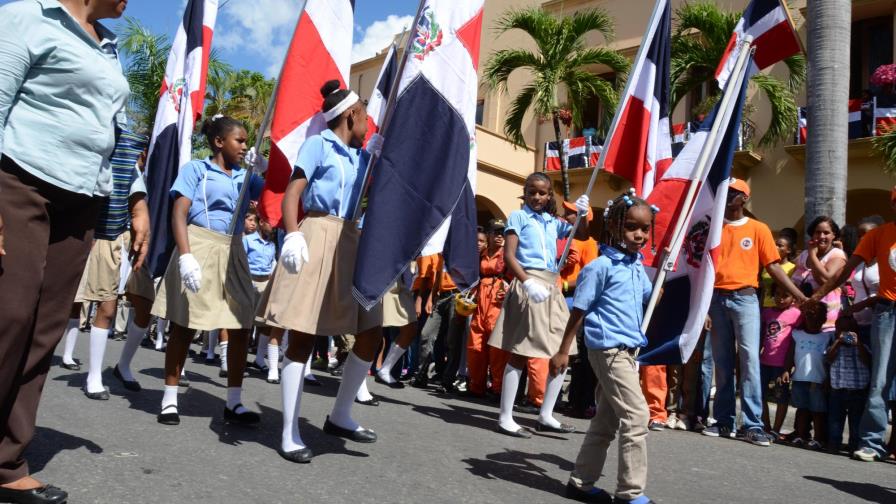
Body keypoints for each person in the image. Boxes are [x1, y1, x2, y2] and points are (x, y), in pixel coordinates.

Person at [0, 1, 141, 502]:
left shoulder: (107, 46)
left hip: (82, 200)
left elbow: (118, 132)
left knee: (44, 328)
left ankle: (6, 463)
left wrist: (137, 196)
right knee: (8, 316)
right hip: (18, 183)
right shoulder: (27, 17)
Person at [258, 80, 385, 464]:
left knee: (371, 330)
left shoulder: (362, 157)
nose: (369, 124)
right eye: (365, 116)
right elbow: (294, 192)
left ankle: (341, 414)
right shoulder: (318, 145)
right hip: (315, 234)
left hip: (351, 241)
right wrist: (293, 235)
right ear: (351, 114)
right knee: (303, 334)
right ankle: (289, 431)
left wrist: (381, 162)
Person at [150, 115, 264, 426]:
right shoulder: (196, 170)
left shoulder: (245, 176)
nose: (244, 146)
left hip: (233, 250)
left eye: (245, 142)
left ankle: (234, 402)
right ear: (218, 142)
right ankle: (170, 399)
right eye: (239, 140)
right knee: (186, 325)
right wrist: (186, 256)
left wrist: (263, 170)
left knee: (241, 325)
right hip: (199, 245)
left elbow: (272, 197)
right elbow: (179, 212)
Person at [551, 191, 658, 504]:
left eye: (645, 229)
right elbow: (579, 310)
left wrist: (664, 268)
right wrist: (562, 350)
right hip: (608, 350)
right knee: (637, 416)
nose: (639, 235)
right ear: (613, 227)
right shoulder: (600, 267)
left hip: (628, 350)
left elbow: (649, 300)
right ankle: (629, 493)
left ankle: (580, 483)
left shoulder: (637, 266)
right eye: (631, 227)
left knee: (606, 421)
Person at [702, 178, 806, 447]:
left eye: (734, 193)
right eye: (726, 191)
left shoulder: (758, 229)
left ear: (743, 199)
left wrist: (799, 296)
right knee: (723, 364)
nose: (728, 196)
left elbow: (772, 267)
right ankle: (724, 421)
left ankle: (753, 425)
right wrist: (702, 307)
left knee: (749, 361)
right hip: (715, 299)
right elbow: (703, 268)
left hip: (746, 299)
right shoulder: (712, 228)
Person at [488, 172, 589, 438]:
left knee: (562, 349)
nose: (537, 197)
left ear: (548, 196)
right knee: (521, 350)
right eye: (532, 191)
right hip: (529, 282)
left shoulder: (552, 222)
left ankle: (546, 414)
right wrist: (526, 282)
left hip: (552, 285)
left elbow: (582, 233)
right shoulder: (518, 217)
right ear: (525, 192)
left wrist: (583, 213)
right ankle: (505, 417)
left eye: (542, 193)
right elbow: (509, 256)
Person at [812, 188, 896, 461]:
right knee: (880, 379)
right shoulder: (878, 236)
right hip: (887, 312)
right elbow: (847, 271)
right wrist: (816, 295)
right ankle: (872, 443)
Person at [465, 222, 508, 398]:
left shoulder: (508, 254)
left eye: (502, 233)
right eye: (496, 232)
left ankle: (498, 389)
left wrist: (508, 288)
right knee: (476, 345)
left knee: (497, 348)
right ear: (489, 235)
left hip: (497, 298)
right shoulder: (481, 254)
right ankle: (476, 386)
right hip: (481, 297)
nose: (499, 236)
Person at [785, 300, 832, 450]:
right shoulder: (797, 334)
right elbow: (790, 354)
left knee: (818, 411)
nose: (813, 320)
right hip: (799, 378)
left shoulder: (827, 337)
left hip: (818, 380)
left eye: (818, 317)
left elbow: (830, 360)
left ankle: (818, 438)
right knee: (802, 409)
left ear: (824, 319)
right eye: (810, 316)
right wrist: (786, 370)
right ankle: (800, 435)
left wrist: (828, 379)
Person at [242, 208, 278, 383]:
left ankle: (259, 358)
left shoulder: (272, 245)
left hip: (265, 283)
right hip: (250, 281)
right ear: (262, 223)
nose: (274, 226)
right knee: (246, 323)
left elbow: (272, 263)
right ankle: (239, 359)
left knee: (264, 323)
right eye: (271, 222)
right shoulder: (247, 240)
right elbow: (241, 261)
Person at [792, 216, 846, 331]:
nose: (821, 236)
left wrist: (812, 255)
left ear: (834, 235)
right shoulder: (803, 255)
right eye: (817, 232)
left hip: (824, 319)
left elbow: (825, 281)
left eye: (826, 233)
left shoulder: (837, 255)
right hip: (799, 317)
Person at [759, 286, 800, 439]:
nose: (781, 299)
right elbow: (763, 334)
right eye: (777, 294)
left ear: (793, 298)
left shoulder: (796, 314)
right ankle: (766, 426)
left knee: (780, 396)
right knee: (760, 394)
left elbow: (795, 343)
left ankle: (776, 429)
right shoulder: (767, 312)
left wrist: (787, 368)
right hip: (764, 361)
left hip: (781, 364)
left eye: (785, 296)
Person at [826, 314, 871, 453]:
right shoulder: (834, 343)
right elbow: (828, 358)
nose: (846, 335)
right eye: (841, 330)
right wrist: (838, 342)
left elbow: (868, 361)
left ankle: (854, 445)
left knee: (856, 420)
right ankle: (834, 443)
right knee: (835, 419)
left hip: (858, 389)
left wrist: (857, 344)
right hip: (838, 388)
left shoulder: (862, 344)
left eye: (849, 330)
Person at [760, 231, 796, 308]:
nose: (776, 247)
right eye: (775, 245)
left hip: (783, 308)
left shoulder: (793, 268)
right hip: (766, 306)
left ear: (788, 250)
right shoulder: (767, 266)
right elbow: (764, 290)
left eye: (780, 245)